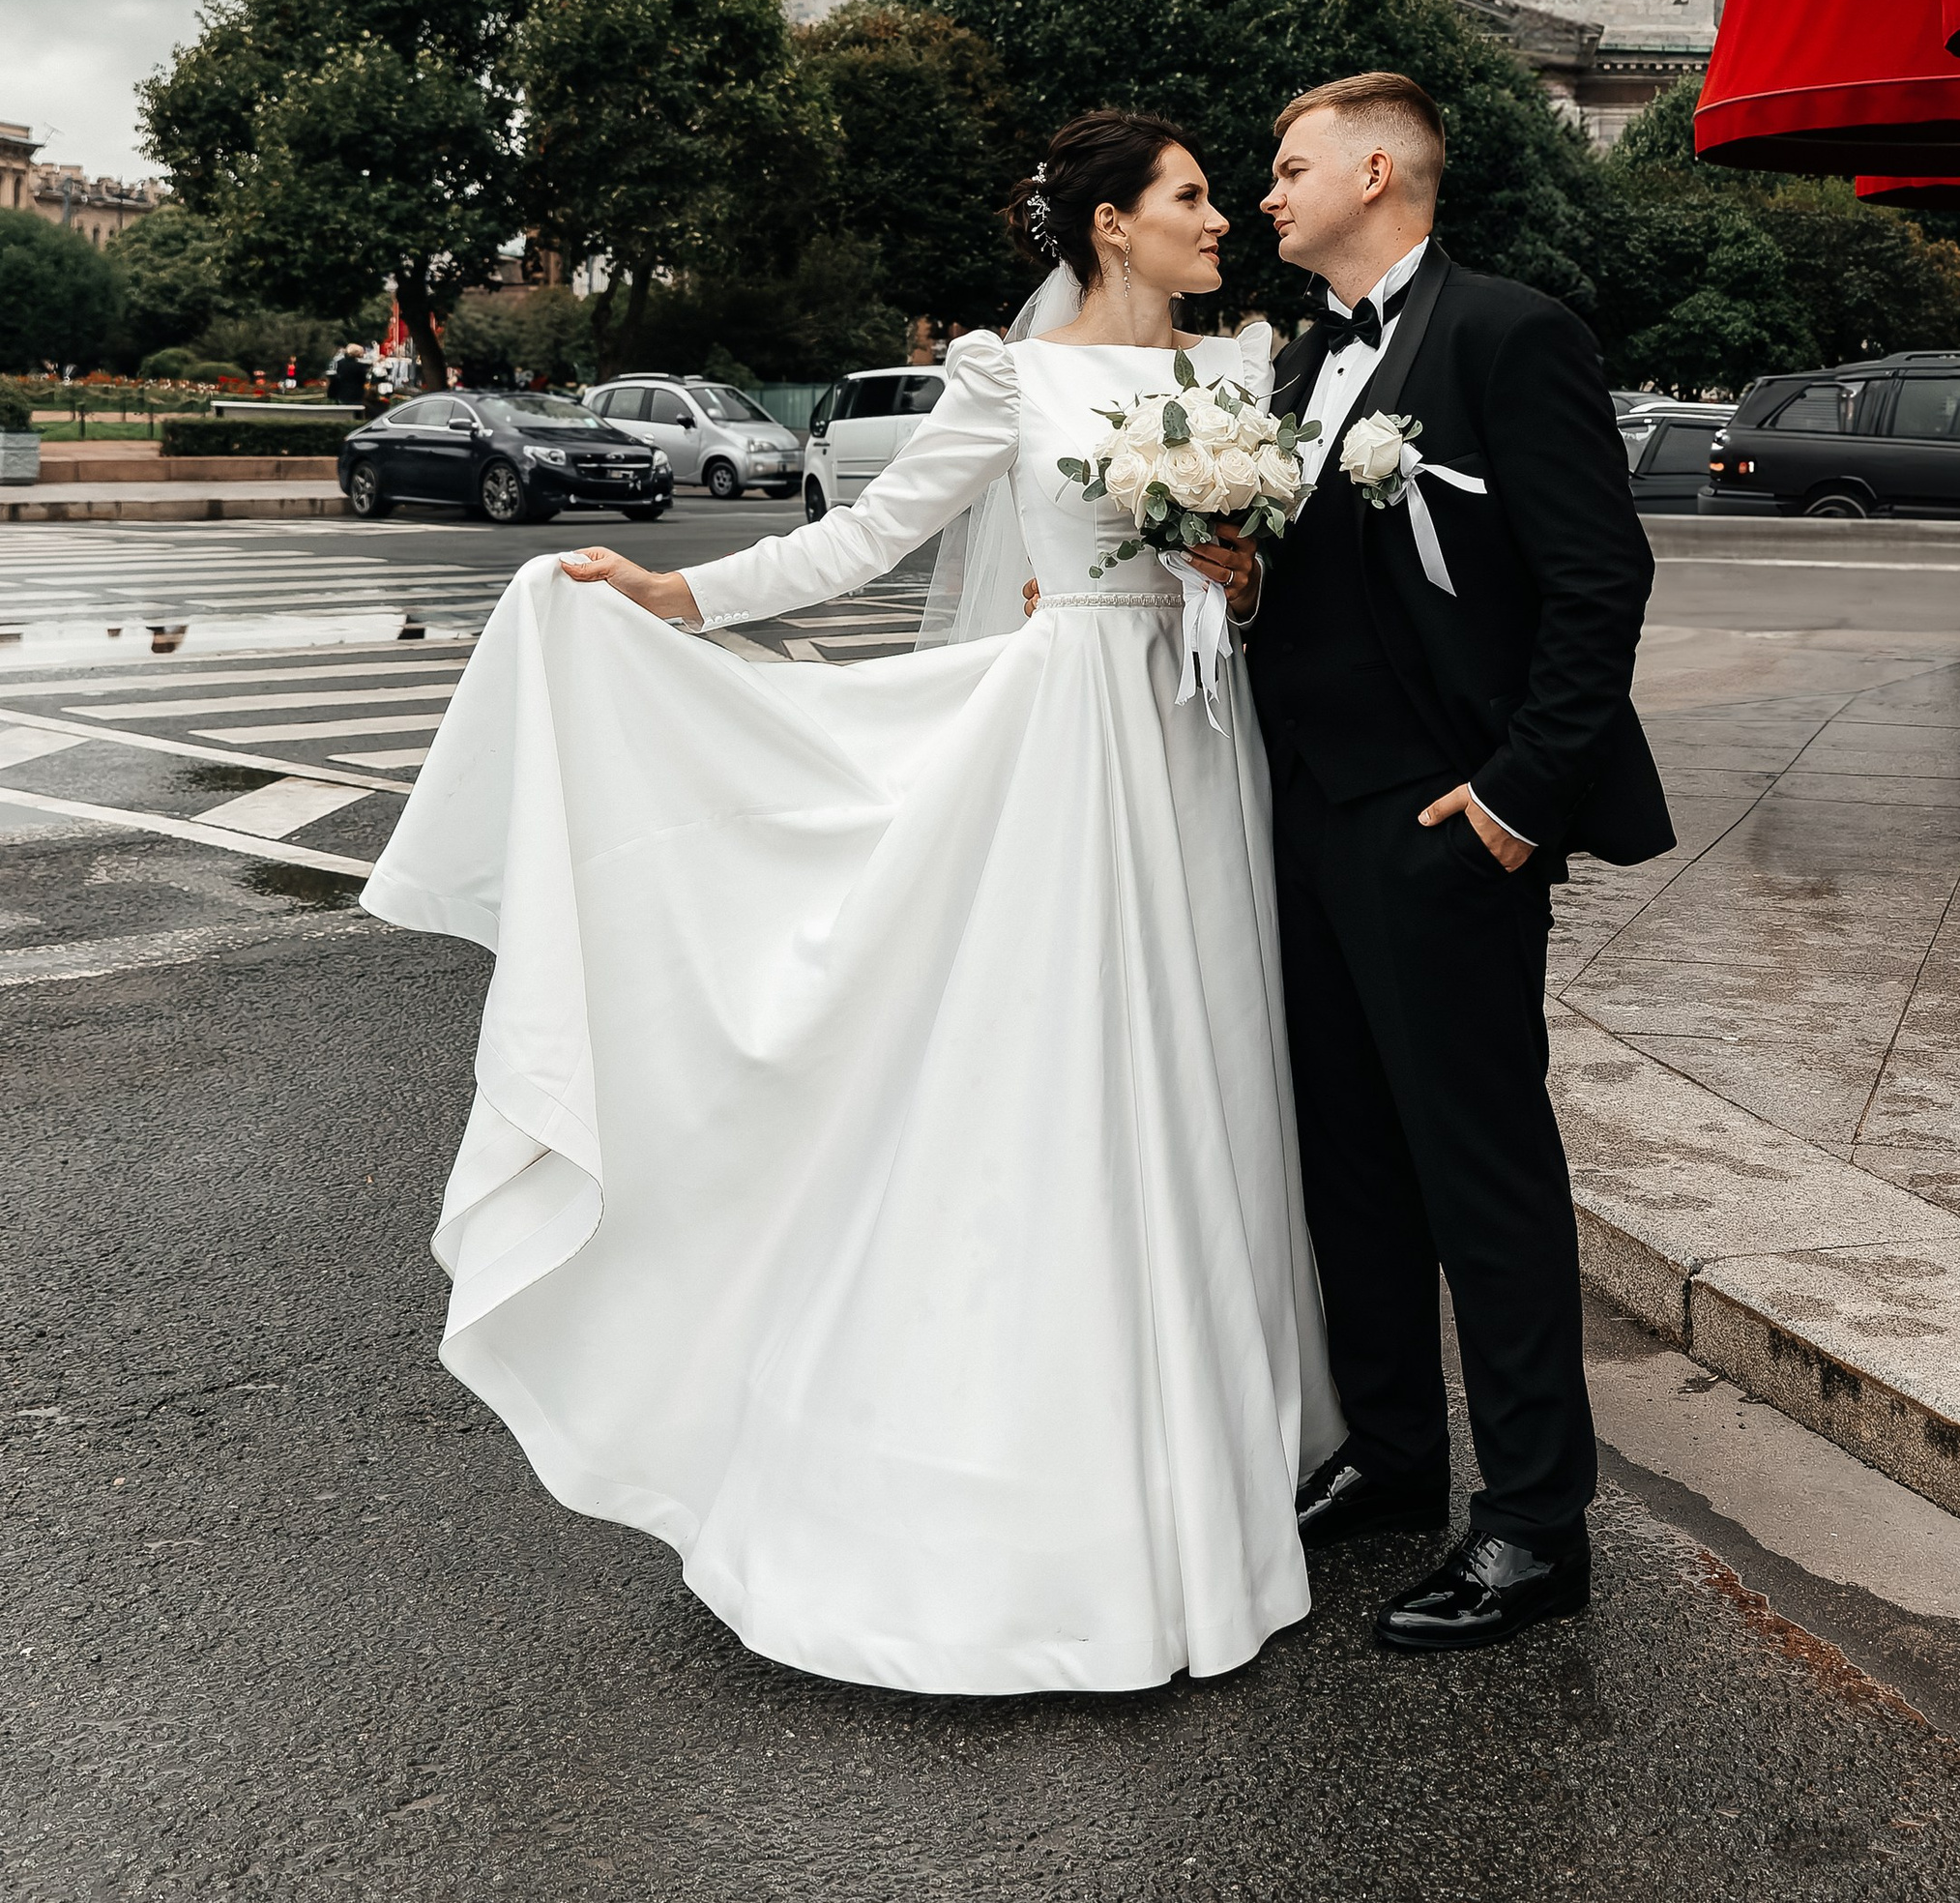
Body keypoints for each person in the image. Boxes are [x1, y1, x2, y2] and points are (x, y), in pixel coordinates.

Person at [361, 113, 1337, 1699]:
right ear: (1109, 225)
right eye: (1191, 197)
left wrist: (1238, 572)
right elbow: (876, 536)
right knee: (1065, 1084)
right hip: (1072, 740)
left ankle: (1225, 1446)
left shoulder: (1240, 374)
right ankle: (1039, 1496)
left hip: (1204, 748)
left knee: (1217, 1063)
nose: (1221, 218)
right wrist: (685, 594)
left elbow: (1271, 572)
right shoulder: (1008, 380)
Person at [1240, 72, 1672, 1654]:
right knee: (1348, 1156)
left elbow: (1597, 579)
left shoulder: (1508, 330)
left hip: (1444, 824)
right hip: (1309, 816)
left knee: (1479, 1168)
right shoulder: (1300, 362)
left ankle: (1536, 1524)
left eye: (1288, 169)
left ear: (1375, 170)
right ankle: (1399, 1459)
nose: (1266, 194)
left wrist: (1511, 800)